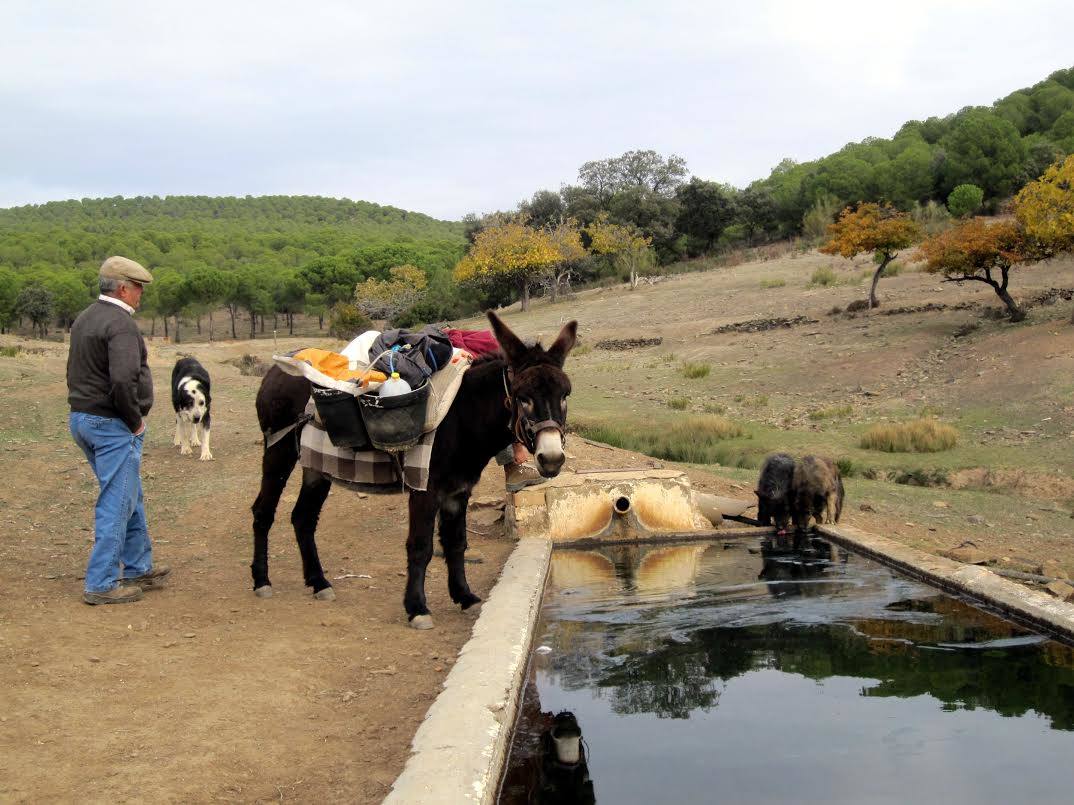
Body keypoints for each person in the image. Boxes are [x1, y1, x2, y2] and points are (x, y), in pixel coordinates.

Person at [67, 256, 170, 605]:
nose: (141, 294)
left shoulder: (85, 318)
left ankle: (138, 566)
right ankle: (101, 582)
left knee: (129, 493)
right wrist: (135, 421)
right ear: (123, 288)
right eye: (138, 287)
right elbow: (123, 380)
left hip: (82, 418)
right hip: (111, 425)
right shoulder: (120, 324)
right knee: (117, 500)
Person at [443, 327, 544, 491]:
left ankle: (514, 468)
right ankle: (513, 470)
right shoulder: (491, 352)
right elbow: (464, 352)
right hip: (459, 386)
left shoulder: (503, 359)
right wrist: (517, 446)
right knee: (497, 410)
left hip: (463, 377)